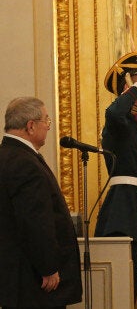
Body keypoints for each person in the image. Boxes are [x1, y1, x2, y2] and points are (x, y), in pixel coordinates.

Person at [0, 97, 82, 308]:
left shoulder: (7, 156)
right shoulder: (25, 162)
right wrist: (48, 267)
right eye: (46, 120)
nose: (48, 126)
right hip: (32, 279)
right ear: (30, 126)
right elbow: (35, 220)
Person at [95, 52, 137, 300]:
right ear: (130, 86)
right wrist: (134, 89)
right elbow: (113, 113)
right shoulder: (118, 121)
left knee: (129, 289)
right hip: (121, 214)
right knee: (119, 292)